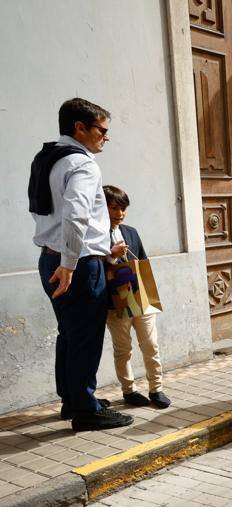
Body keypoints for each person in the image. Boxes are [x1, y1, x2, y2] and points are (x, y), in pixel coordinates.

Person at [30, 98, 133, 430]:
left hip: (49, 260)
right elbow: (76, 214)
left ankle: (72, 400)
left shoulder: (46, 158)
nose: (106, 137)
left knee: (69, 334)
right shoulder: (83, 164)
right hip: (77, 265)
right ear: (80, 127)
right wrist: (71, 263)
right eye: (102, 130)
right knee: (86, 337)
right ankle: (87, 410)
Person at [102, 185, 171, 409]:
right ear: (103, 207)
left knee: (151, 345)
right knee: (123, 349)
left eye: (123, 209)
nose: (119, 214)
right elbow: (93, 269)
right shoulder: (96, 234)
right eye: (114, 208)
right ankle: (129, 391)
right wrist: (112, 256)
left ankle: (156, 389)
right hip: (114, 301)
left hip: (140, 297)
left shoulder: (131, 231)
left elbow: (142, 260)